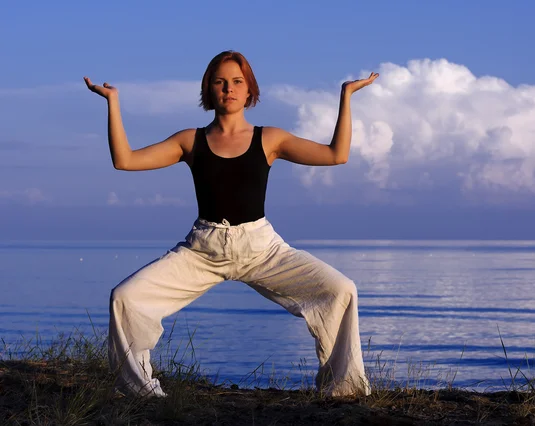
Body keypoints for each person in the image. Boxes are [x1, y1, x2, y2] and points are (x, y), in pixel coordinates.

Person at [84, 50, 379, 398]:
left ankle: (344, 390)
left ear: (249, 88)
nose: (229, 88)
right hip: (203, 250)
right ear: (209, 89)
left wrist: (346, 96)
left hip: (261, 249)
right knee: (125, 298)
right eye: (220, 82)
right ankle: (140, 392)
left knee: (341, 291)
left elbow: (336, 155)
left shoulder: (269, 138)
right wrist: (113, 103)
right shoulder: (189, 141)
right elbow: (125, 160)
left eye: (237, 81)